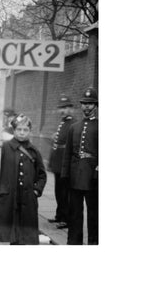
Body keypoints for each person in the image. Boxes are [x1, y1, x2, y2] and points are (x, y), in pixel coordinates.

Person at [0, 114, 47, 244]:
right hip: (10, 198)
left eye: (25, 130)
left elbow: (42, 175)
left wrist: (36, 191)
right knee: (10, 236)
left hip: (27, 200)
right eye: (19, 130)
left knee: (25, 238)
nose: (22, 133)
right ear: (14, 130)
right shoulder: (4, 148)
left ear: (29, 131)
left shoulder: (33, 151)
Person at [62, 87, 98, 245]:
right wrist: (65, 174)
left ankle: (94, 242)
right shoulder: (74, 127)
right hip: (75, 175)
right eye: (84, 104)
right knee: (75, 212)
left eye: (90, 104)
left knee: (94, 212)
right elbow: (67, 153)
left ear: (95, 106)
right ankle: (74, 242)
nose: (87, 107)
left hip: (92, 176)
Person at [47, 95, 76, 229]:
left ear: (71, 109)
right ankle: (59, 215)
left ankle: (66, 218)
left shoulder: (72, 124)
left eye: (66, 107)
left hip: (65, 165)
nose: (63, 110)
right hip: (58, 164)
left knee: (65, 193)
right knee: (58, 191)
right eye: (61, 108)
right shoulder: (63, 123)